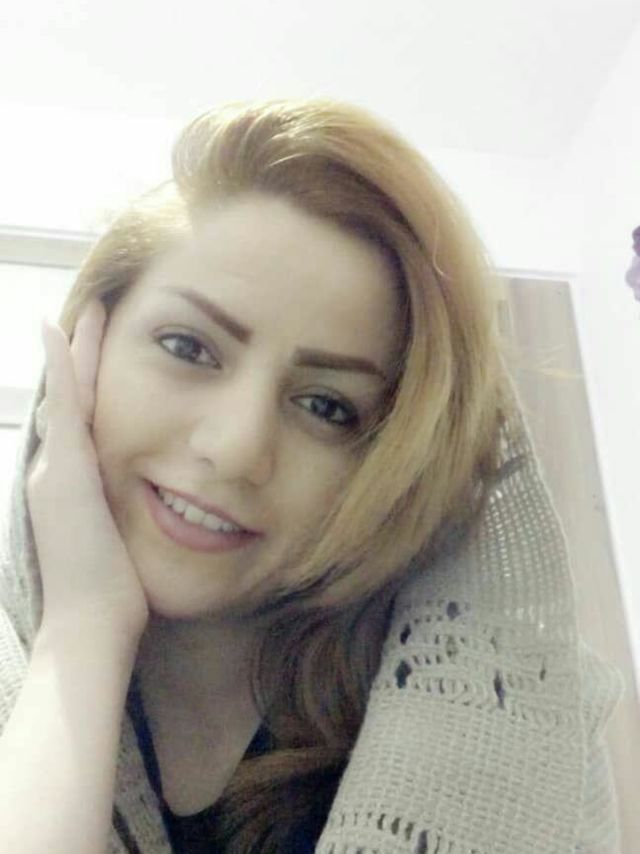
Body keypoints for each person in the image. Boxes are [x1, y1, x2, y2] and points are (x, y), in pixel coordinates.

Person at [0, 98, 626, 854]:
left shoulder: (517, 727)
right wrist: (80, 632)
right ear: (84, 351)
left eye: (327, 407)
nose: (237, 448)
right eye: (189, 347)